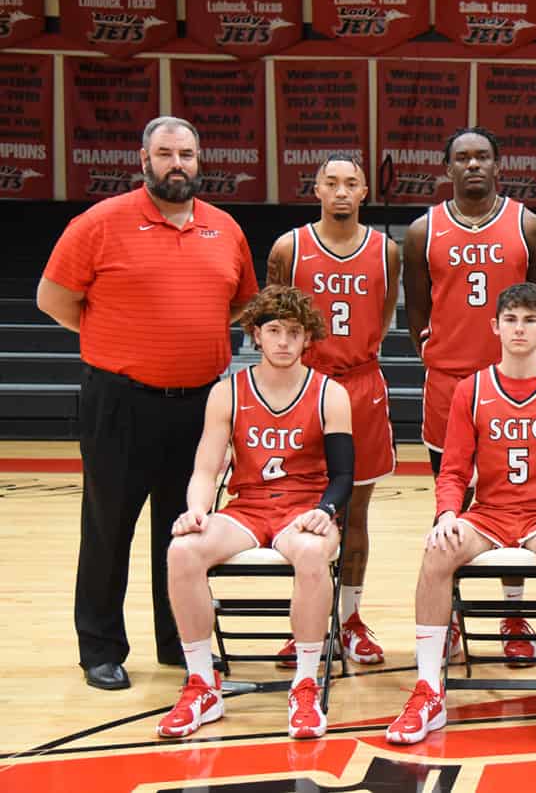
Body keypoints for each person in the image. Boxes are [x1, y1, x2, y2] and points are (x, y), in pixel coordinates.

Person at [36, 116, 259, 690]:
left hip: (199, 407)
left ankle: (180, 645)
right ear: (144, 159)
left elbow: (240, 305)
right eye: (166, 153)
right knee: (109, 526)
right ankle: (101, 649)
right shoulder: (101, 223)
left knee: (186, 529)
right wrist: (110, 343)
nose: (177, 163)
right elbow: (54, 298)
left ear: (199, 158)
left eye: (186, 153)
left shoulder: (225, 228)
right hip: (120, 400)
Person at [386, 282, 536, 750]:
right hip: (489, 513)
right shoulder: (472, 388)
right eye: (510, 320)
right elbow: (454, 469)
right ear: (495, 326)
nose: (518, 329)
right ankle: (429, 691)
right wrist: (446, 513)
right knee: (436, 553)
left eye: (528, 320)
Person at [156, 285, 353, 740]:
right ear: (255, 336)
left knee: (309, 552)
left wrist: (326, 511)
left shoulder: (330, 393)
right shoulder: (227, 393)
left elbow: (343, 476)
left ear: (308, 339)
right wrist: (196, 511)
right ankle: (203, 683)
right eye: (274, 331)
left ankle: (304, 683)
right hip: (246, 508)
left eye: (294, 332)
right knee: (182, 552)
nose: (283, 341)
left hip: (304, 509)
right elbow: (206, 467)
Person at [403, 127, 536, 666]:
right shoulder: (422, 231)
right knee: (453, 506)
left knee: (512, 498)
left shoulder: (530, 227)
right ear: (447, 169)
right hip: (449, 384)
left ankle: (514, 614)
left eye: (483, 157)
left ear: (499, 166)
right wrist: (435, 348)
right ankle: (450, 621)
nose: (473, 165)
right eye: (462, 158)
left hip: (514, 385)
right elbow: (416, 309)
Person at [265, 153, 400, 666]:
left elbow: (383, 318)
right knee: (303, 509)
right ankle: (306, 622)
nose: (341, 191)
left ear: (364, 191)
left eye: (351, 183)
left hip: (361, 385)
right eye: (331, 183)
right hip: (306, 388)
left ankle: (349, 618)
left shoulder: (386, 251)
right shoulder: (289, 248)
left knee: (356, 513)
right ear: (316, 189)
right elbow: (275, 317)